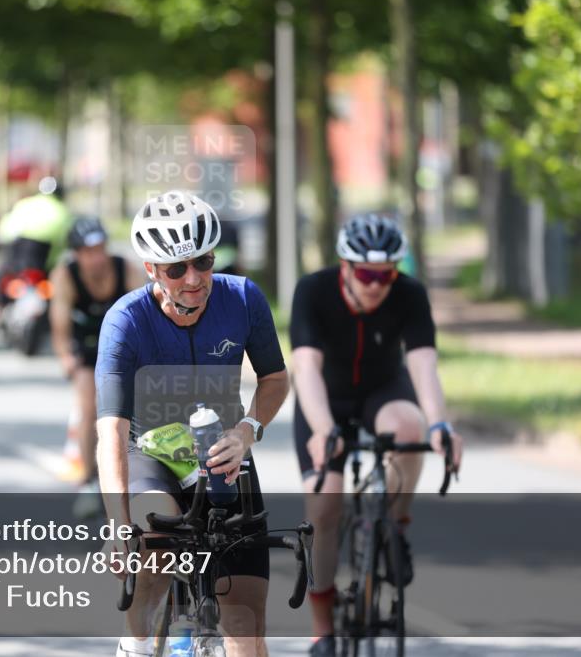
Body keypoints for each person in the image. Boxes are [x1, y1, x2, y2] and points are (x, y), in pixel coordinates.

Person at [96, 191, 290, 657]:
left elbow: (275, 380)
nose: (194, 278)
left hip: (222, 453)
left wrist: (246, 431)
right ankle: (138, 643)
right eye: (176, 269)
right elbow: (111, 434)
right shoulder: (126, 320)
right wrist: (119, 525)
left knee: (245, 626)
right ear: (151, 270)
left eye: (203, 261)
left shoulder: (243, 299)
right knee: (153, 537)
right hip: (151, 453)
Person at [289, 213, 464, 656]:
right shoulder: (313, 290)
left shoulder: (409, 294)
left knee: (411, 428)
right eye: (366, 274)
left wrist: (440, 423)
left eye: (387, 275)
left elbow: (423, 364)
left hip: (382, 392)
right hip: (325, 400)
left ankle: (395, 526)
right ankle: (322, 627)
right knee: (324, 509)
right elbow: (305, 367)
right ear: (345, 267)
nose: (376, 284)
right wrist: (324, 429)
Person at [49, 217, 144, 493]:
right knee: (89, 407)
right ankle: (89, 476)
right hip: (87, 349)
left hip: (122, 347)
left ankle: (136, 468)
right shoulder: (65, 276)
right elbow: (60, 325)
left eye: (101, 249)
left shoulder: (124, 268)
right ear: (77, 254)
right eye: (89, 252)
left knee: (135, 407)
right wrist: (65, 356)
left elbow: (145, 309)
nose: (97, 258)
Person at [0, 176, 74, 321]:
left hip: (16, 252)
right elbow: (66, 241)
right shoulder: (64, 212)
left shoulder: (24, 204)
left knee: (2, 274)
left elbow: (5, 230)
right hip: (43, 259)